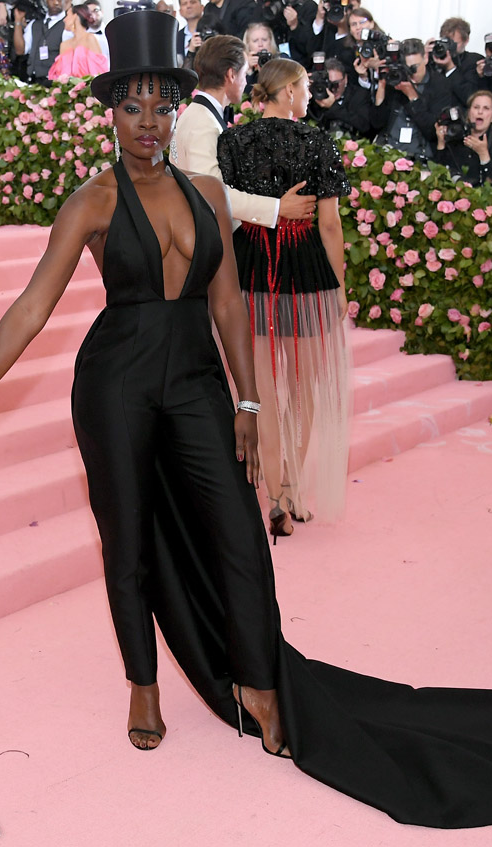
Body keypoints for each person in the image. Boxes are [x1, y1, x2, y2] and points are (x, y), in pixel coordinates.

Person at [0, 9, 492, 831]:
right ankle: (144, 681)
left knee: (240, 531)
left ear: (177, 110)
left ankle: (262, 682)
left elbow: (229, 303)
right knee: (127, 539)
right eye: (131, 107)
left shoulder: (206, 191)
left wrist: (246, 399)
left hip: (197, 380)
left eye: (160, 107)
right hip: (116, 382)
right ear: (109, 111)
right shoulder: (91, 202)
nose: (146, 123)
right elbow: (33, 307)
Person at [217, 57, 350, 533]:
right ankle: (292, 487)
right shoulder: (317, 141)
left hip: (249, 263)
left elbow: (223, 208)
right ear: (289, 91)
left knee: (263, 391)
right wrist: (338, 286)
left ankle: (272, 494)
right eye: (306, 86)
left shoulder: (232, 139)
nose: (309, 94)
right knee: (303, 384)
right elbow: (330, 224)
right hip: (303, 267)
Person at [173, 35, 315, 231]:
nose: (246, 80)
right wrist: (278, 207)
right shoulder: (201, 122)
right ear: (231, 75)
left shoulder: (200, 115)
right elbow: (212, 192)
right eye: (245, 72)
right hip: (207, 240)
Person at [370, 37, 452, 160]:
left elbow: (432, 132)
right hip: (389, 152)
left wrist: (412, 96)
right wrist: (382, 85)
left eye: (414, 68)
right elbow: (376, 122)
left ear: (425, 58)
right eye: (406, 68)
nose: (411, 73)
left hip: (421, 155)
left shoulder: (440, 85)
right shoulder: (396, 79)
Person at [434, 90, 492, 186]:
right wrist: (441, 142)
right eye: (476, 107)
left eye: (486, 108)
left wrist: (483, 155)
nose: (480, 112)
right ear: (469, 113)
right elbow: (439, 170)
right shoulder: (456, 136)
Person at [306, 55, 373, 139]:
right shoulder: (317, 93)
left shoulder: (359, 95)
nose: (334, 88)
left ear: (345, 79)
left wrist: (333, 106)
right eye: (329, 83)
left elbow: (364, 126)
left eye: (337, 83)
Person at [427, 16, 482, 107]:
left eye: (452, 44)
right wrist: (423, 59)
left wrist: (450, 68)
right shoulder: (432, 60)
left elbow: (471, 97)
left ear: (466, 40)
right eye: (445, 42)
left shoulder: (473, 61)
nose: (448, 48)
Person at [48, 2, 108, 80]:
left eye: (67, 16)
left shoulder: (90, 38)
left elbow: (99, 72)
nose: (64, 20)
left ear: (75, 16)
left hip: (88, 90)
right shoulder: (64, 44)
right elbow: (60, 75)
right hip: (67, 90)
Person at [13, 0, 65, 86]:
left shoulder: (68, 25)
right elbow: (20, 50)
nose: (56, 3)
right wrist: (18, 21)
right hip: (33, 80)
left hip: (54, 82)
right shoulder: (34, 24)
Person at [243, 22, 281, 95]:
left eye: (264, 39)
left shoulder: (282, 59)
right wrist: (248, 70)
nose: (260, 44)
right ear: (248, 44)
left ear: (270, 41)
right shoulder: (242, 66)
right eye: (255, 41)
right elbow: (244, 97)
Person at [175, 0, 203, 67]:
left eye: (193, 2)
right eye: (184, 4)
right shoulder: (176, 37)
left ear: (202, 7)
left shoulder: (212, 30)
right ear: (180, 12)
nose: (189, 6)